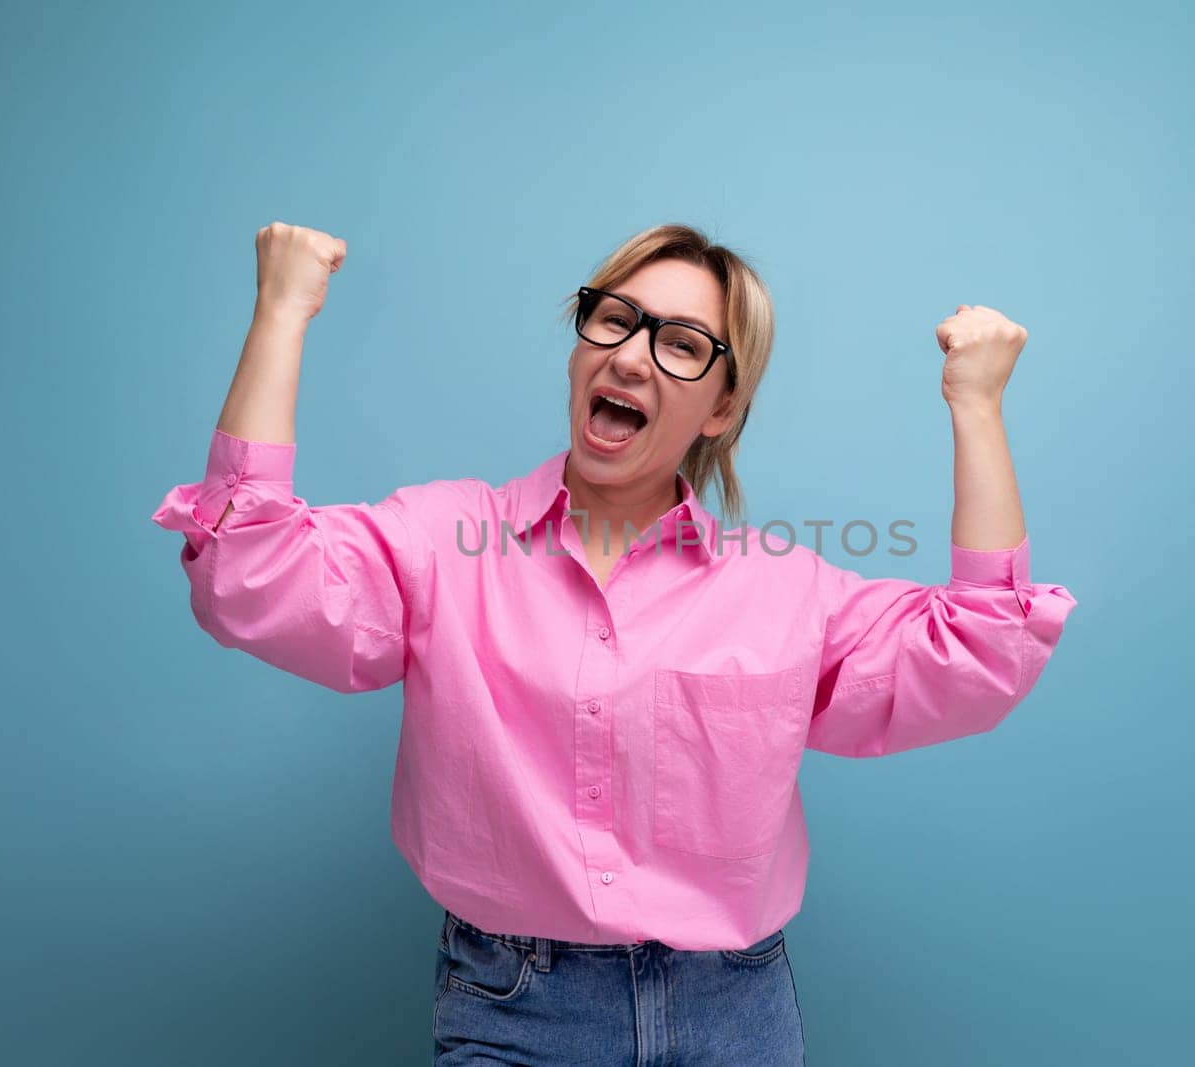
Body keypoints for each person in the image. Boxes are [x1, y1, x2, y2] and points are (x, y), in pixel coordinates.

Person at [150, 220, 1079, 1065]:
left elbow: (983, 652)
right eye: (614, 320)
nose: (632, 356)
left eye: (680, 344)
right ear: (578, 350)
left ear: (721, 407)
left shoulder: (787, 591)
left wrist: (976, 406)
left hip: (736, 1014)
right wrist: (282, 310)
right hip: (514, 1007)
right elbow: (247, 576)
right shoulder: (439, 539)